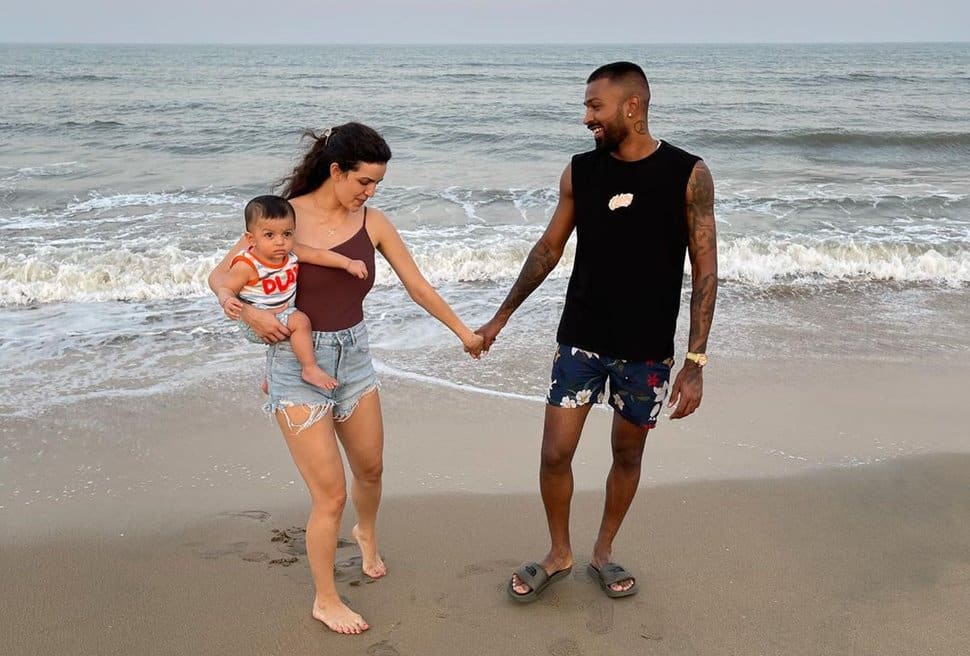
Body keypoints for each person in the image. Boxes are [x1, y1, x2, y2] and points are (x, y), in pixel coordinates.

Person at [208, 122, 484, 635]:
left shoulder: (373, 222)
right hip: (296, 363)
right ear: (336, 171)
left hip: (354, 356)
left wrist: (464, 333)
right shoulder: (285, 218)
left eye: (378, 183)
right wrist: (245, 313)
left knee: (372, 469)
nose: (370, 192)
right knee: (330, 493)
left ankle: (366, 533)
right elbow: (221, 275)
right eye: (364, 181)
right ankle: (326, 599)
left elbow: (417, 285)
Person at [476, 62, 718, 602]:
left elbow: (706, 270)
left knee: (627, 455)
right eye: (587, 107)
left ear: (631, 107)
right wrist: (500, 317)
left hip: (647, 352)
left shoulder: (688, 173)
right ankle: (559, 552)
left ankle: (602, 552)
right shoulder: (580, 173)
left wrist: (695, 362)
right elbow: (547, 250)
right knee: (555, 453)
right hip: (580, 339)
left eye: (595, 106)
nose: (587, 117)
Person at [215, 194, 369, 390]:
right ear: (251, 239)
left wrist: (348, 263)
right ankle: (309, 368)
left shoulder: (290, 253)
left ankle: (270, 379)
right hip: (255, 321)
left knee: (291, 330)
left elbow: (317, 255)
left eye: (287, 234)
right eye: (269, 235)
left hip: (278, 313)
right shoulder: (247, 265)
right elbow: (226, 287)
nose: (280, 242)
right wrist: (227, 300)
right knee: (301, 322)